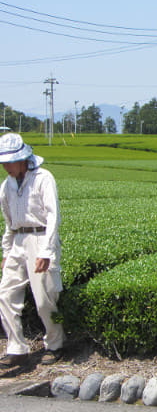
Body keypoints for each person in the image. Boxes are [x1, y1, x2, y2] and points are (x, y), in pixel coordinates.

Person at [0, 133, 64, 368]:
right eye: (3, 162)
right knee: (5, 294)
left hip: (40, 238)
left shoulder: (43, 178)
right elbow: (8, 222)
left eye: (9, 161)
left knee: (44, 299)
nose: (5, 166)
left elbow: (53, 215)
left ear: (22, 159)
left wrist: (46, 251)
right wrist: (6, 252)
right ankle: (16, 348)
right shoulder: (6, 186)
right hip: (18, 240)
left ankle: (55, 344)